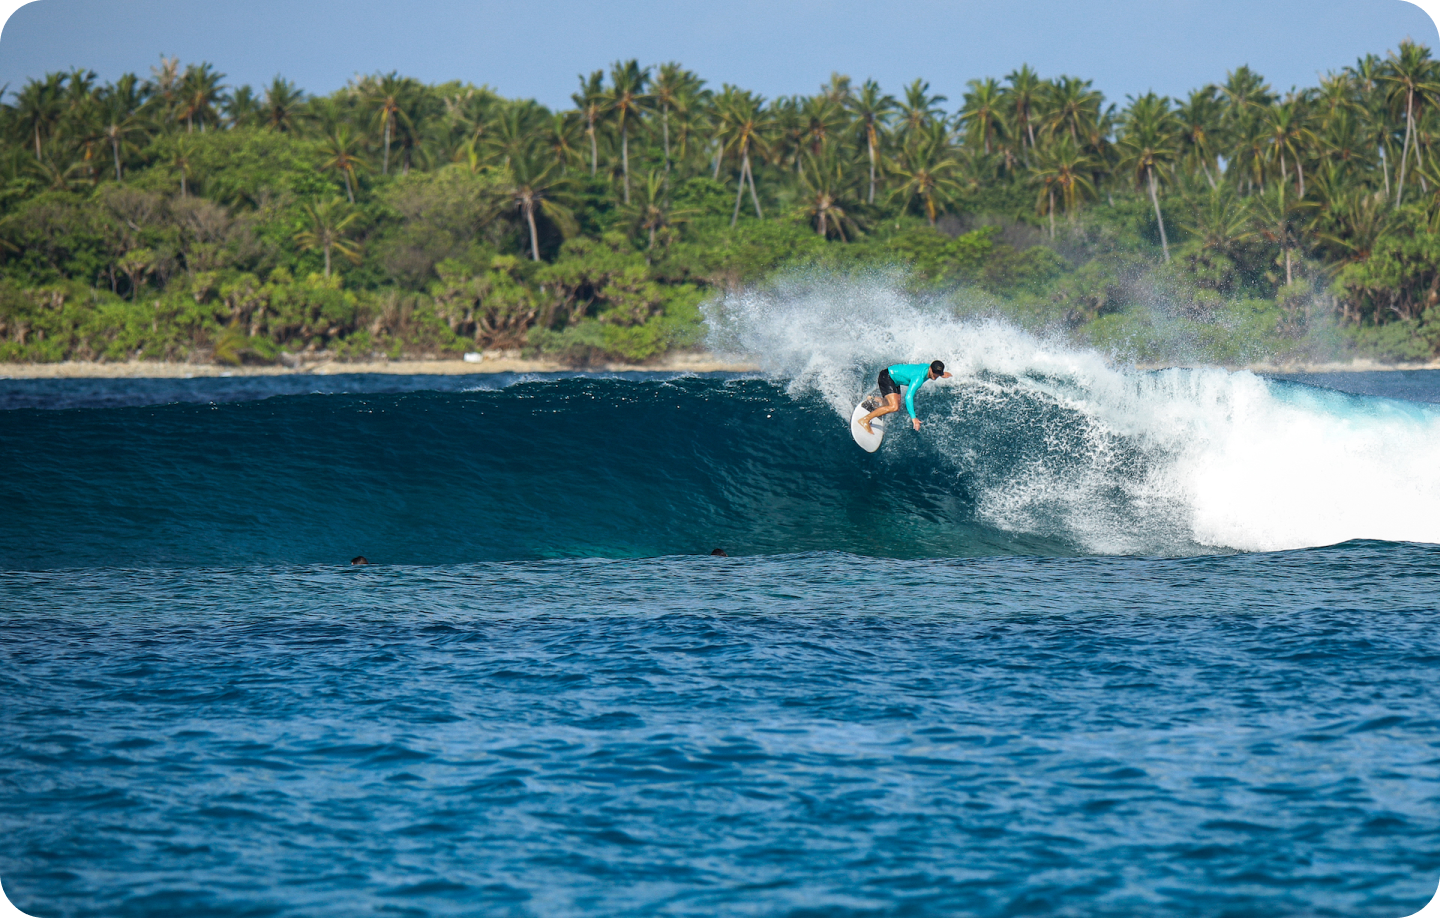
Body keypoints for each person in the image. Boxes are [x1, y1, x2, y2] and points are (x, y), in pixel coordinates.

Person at [859, 360, 952, 435]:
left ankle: (873, 400)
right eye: (935, 373)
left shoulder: (928, 367)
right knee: (894, 407)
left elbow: (935, 370)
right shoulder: (918, 378)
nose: (936, 376)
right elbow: (908, 397)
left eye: (938, 374)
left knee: (895, 406)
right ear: (930, 369)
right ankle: (864, 420)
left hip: (894, 379)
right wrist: (914, 418)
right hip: (887, 377)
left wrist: (942, 374)